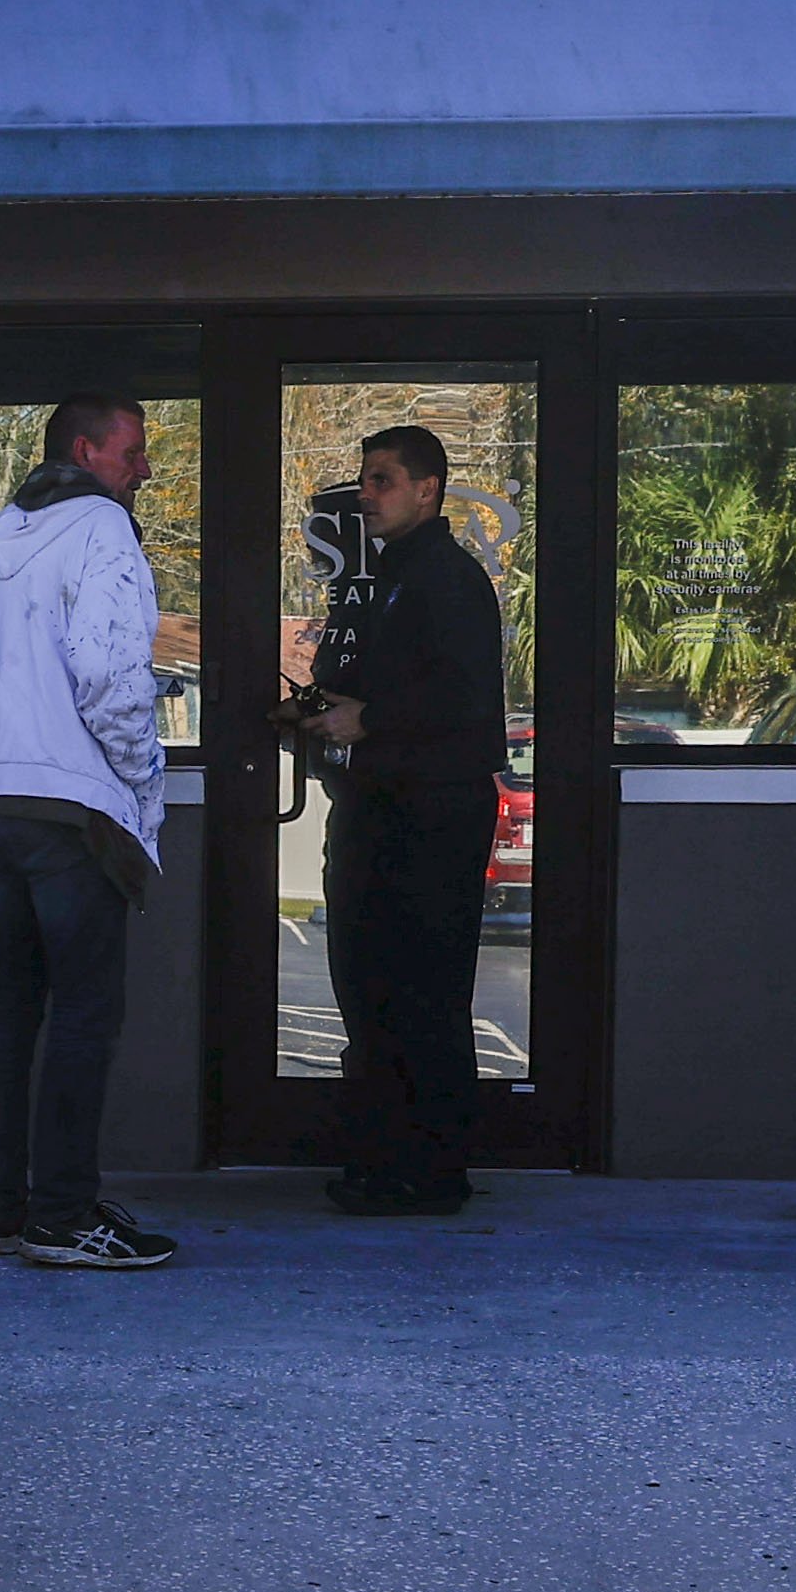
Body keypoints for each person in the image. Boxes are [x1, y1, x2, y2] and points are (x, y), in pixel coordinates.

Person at [0, 397, 175, 1270]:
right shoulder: (103, 530)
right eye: (132, 451)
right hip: (71, 809)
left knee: (11, 1008)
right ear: (85, 449)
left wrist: (5, 742)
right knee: (84, 1011)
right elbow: (111, 677)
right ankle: (64, 1215)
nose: (143, 469)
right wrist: (142, 782)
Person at [297, 423, 503, 1216]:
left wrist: (370, 718)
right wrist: (316, 709)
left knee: (424, 993)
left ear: (428, 489)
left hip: (432, 817)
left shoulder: (448, 579)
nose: (367, 495)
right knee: (371, 988)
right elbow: (373, 685)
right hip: (377, 810)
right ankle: (383, 1158)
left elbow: (465, 699)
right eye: (364, 480)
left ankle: (431, 1170)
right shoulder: (387, 578)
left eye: (382, 480)